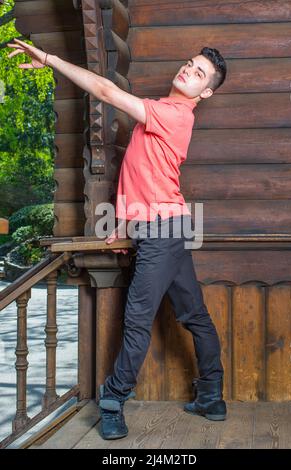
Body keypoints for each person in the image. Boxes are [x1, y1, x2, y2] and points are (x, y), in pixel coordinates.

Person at [8, 39, 228, 440]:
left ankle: (112, 398)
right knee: (194, 314)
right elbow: (143, 174)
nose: (188, 72)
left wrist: (51, 58)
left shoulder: (174, 114)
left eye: (200, 74)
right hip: (170, 226)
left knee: (138, 321)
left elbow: (107, 92)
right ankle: (212, 395)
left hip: (164, 231)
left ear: (206, 92)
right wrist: (126, 225)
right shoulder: (157, 116)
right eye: (189, 64)